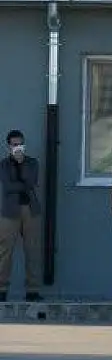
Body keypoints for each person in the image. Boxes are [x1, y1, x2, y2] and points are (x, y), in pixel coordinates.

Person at [0, 128, 44, 301]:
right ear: (8, 146)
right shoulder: (3, 164)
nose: (18, 148)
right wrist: (22, 184)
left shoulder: (32, 163)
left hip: (30, 209)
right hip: (10, 210)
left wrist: (21, 164)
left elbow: (32, 181)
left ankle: (32, 290)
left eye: (21, 144)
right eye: (15, 145)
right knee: (4, 250)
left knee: (33, 249)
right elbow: (8, 186)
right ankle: (2, 289)